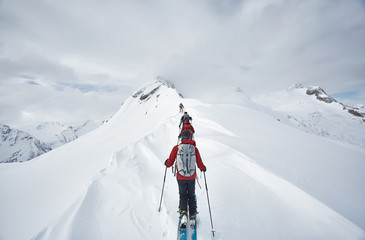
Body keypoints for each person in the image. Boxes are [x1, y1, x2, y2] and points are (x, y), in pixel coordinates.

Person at [165, 130, 206, 228]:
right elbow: (199, 163)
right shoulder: (195, 149)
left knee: (183, 194)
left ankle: (183, 213)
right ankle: (192, 215)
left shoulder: (176, 148)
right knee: (191, 195)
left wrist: (166, 163)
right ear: (190, 137)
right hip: (191, 176)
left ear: (182, 138)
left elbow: (170, 162)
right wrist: (203, 168)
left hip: (181, 176)